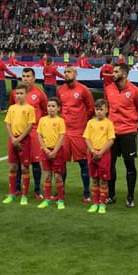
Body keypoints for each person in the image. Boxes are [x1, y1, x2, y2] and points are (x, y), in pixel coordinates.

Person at [103, 62, 138, 207]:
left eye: (116, 72)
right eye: (113, 72)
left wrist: (132, 122)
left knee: (130, 165)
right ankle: (111, 195)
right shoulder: (109, 89)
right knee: (110, 164)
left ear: (124, 74)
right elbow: (106, 108)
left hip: (128, 132)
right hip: (112, 133)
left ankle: (130, 197)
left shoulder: (135, 91)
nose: (113, 74)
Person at [57, 65, 96, 202]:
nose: (66, 74)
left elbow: (91, 108)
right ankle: (61, 192)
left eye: (69, 72)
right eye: (65, 72)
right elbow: (58, 108)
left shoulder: (84, 90)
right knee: (61, 163)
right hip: (64, 133)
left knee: (83, 163)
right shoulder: (60, 90)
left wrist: (82, 121)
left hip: (79, 132)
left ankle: (86, 193)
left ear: (76, 74)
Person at [19, 68, 50, 198]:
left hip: (34, 133)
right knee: (20, 162)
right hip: (19, 133)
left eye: (28, 76)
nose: (25, 78)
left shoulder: (39, 94)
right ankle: (17, 188)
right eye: (24, 76)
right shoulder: (17, 93)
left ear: (34, 78)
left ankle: (37, 190)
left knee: (36, 162)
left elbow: (45, 111)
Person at [3, 85, 36, 205]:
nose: (19, 96)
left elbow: (30, 126)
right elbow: (7, 123)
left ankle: (24, 195)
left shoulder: (29, 109)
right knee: (13, 167)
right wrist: (13, 138)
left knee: (24, 168)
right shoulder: (12, 108)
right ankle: (11, 193)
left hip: (24, 140)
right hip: (12, 140)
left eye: (21, 93)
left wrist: (19, 139)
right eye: (17, 94)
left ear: (26, 94)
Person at [83, 99, 115, 215]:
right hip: (92, 153)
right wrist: (92, 150)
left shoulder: (108, 123)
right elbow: (86, 138)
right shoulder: (90, 123)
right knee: (94, 179)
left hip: (104, 154)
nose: (99, 112)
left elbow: (111, 140)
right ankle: (95, 203)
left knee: (103, 180)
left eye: (101, 109)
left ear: (106, 110)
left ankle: (102, 204)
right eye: (97, 109)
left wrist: (100, 152)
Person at [36, 96, 68, 209]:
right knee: (47, 176)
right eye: (49, 106)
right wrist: (45, 149)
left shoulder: (60, 121)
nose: (50, 108)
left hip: (57, 152)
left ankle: (60, 199)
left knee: (58, 176)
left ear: (58, 108)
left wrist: (54, 151)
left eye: (53, 106)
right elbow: (39, 134)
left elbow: (62, 136)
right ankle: (47, 199)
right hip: (45, 151)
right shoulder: (42, 120)